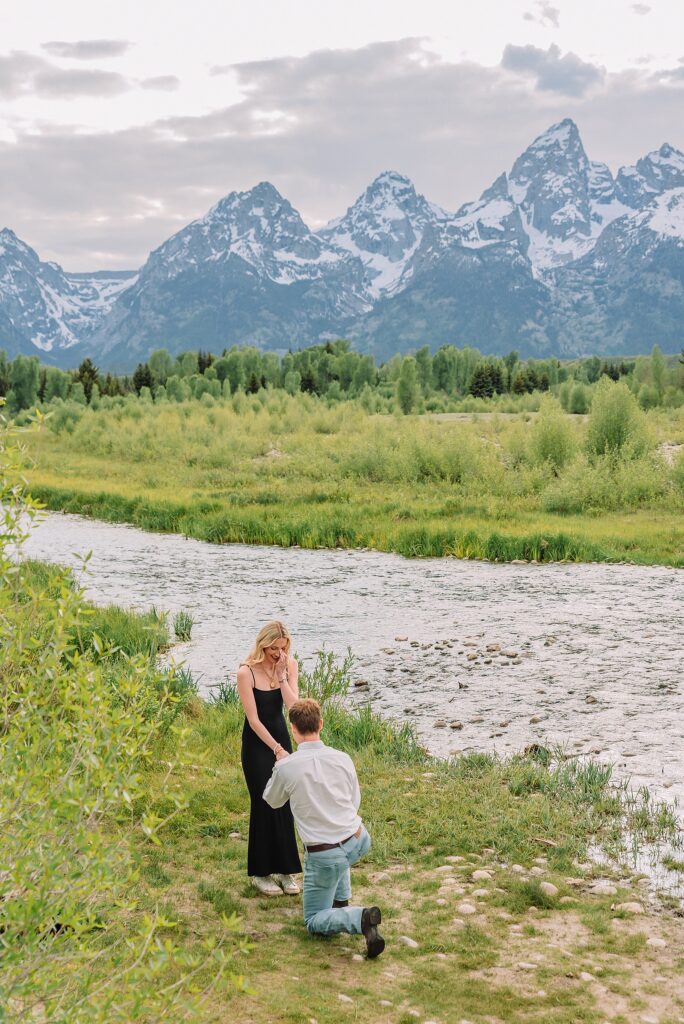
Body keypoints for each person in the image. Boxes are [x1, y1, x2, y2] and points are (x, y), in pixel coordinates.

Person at [263, 698, 385, 958]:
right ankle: (340, 902)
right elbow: (354, 802)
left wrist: (279, 763)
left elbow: (272, 801)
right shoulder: (342, 758)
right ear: (320, 724)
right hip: (358, 839)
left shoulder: (287, 767)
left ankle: (360, 918)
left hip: (326, 854)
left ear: (293, 729)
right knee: (339, 851)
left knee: (314, 920)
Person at [237, 621, 302, 897]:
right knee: (264, 803)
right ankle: (261, 873)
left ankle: (285, 871)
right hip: (258, 745)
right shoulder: (246, 672)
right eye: (273, 648)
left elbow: (294, 707)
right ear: (263, 645)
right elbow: (253, 720)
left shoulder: (289, 665)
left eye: (282, 648)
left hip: (282, 740)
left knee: (283, 803)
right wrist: (275, 748)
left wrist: (282, 676)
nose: (278, 653)